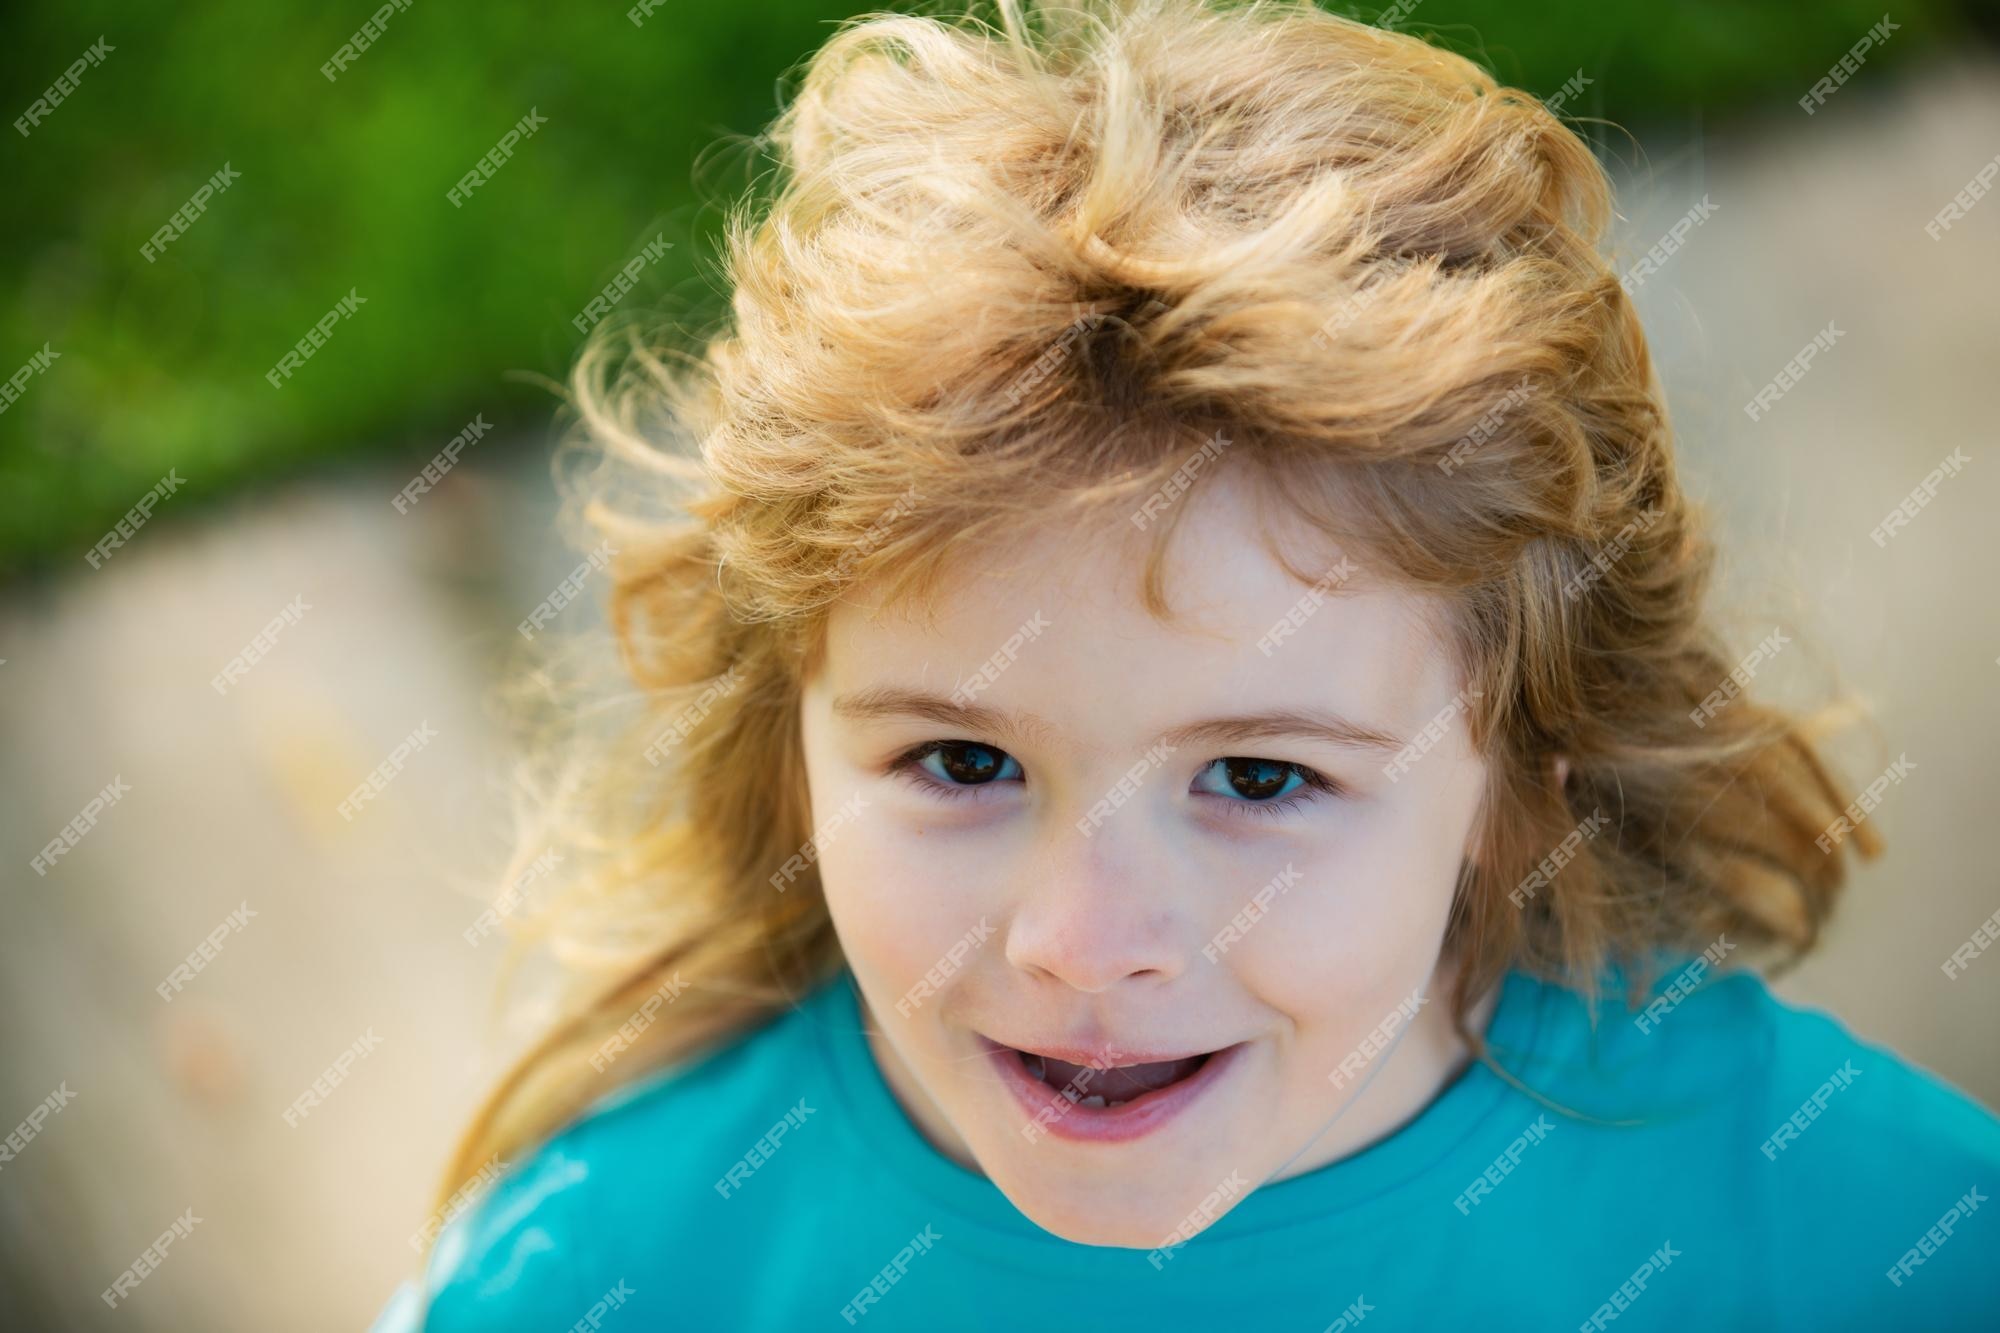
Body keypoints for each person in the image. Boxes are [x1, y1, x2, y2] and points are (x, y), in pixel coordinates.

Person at [371, 0, 2000, 1326]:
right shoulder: (610, 1271)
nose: (1085, 943)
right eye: (960, 760)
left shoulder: (1864, 1233)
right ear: (789, 742)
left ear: (1519, 787)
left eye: (1261, 776)